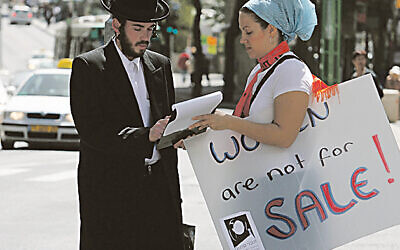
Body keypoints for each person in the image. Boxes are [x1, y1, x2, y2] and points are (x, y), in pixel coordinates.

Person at [69, 0, 184, 249]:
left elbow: (167, 118)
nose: (145, 37)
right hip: (111, 192)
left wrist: (179, 132)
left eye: (150, 29)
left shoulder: (161, 65)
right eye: (138, 28)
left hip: (160, 189)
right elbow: (92, 131)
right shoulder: (89, 66)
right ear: (117, 26)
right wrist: (146, 136)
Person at [176, 0, 318, 149]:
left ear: (271, 30)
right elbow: (246, 129)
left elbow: (284, 137)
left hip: (280, 172)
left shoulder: (291, 69)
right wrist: (197, 140)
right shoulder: (259, 70)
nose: (243, 39)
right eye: (242, 31)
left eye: (248, 32)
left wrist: (228, 121)